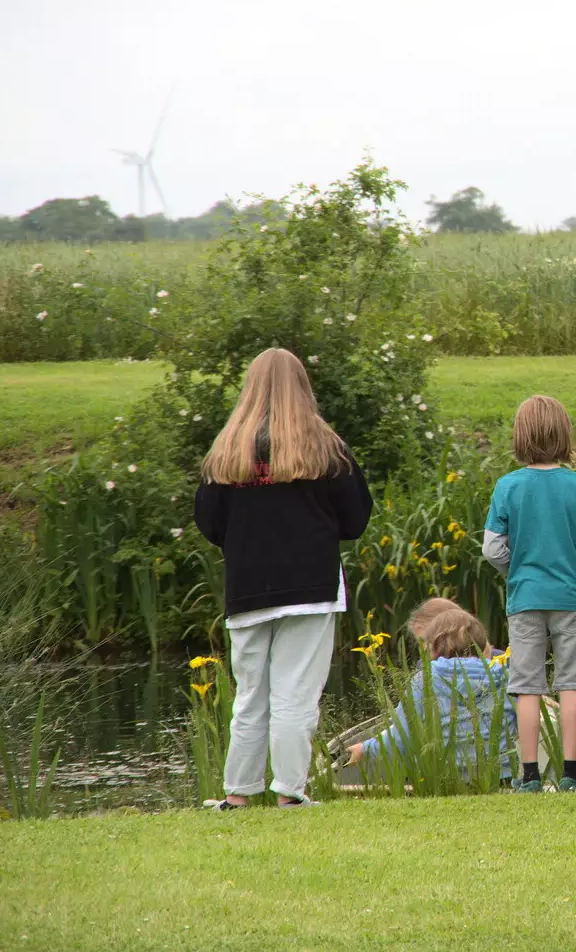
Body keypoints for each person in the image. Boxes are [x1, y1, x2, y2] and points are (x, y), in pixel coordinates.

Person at [194, 347, 373, 810]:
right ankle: (290, 794)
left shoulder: (227, 449)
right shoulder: (326, 447)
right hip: (312, 588)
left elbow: (210, 524)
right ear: (303, 386)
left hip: (248, 589)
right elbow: (354, 521)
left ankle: (237, 794)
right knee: (296, 694)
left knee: (251, 695)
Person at [483, 395, 576, 793]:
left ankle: (530, 777)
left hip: (524, 598)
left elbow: (492, 549)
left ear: (520, 437)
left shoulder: (507, 486)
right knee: (571, 682)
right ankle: (572, 775)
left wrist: (515, 569)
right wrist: (573, 562)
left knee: (527, 685)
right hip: (570, 597)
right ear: (564, 435)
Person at [346, 607, 518, 780]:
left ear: (434, 646)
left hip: (446, 779)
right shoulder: (506, 676)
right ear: (483, 644)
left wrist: (366, 748)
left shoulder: (425, 680)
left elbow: (402, 738)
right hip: (501, 776)